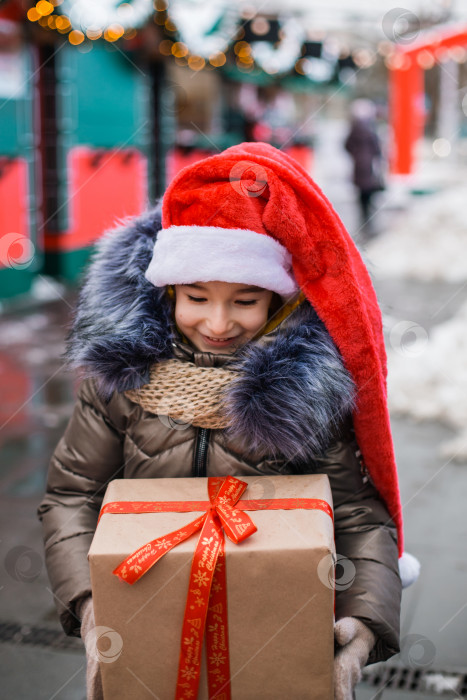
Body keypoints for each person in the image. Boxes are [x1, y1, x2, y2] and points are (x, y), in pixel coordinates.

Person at [37, 142, 419, 700]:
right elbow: (71, 496)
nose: (217, 323)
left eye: (245, 301)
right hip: (146, 622)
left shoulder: (303, 392)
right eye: (196, 297)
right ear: (167, 292)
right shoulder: (121, 382)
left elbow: (359, 515)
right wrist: (91, 606)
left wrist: (362, 623)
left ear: (279, 303)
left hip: (275, 629)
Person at [344, 99, 385, 233]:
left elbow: (347, 145)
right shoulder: (370, 128)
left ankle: (365, 219)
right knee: (368, 193)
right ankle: (368, 221)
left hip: (359, 165)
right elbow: (377, 147)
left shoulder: (355, 128)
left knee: (362, 194)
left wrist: (355, 154)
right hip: (369, 166)